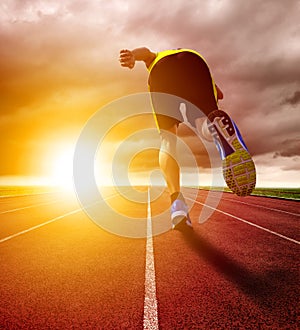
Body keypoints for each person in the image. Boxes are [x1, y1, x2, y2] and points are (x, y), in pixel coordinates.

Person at [119, 47, 256, 229]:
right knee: (205, 122)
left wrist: (133, 56)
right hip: (195, 61)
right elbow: (219, 93)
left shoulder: (158, 57)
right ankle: (216, 128)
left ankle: (178, 205)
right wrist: (212, 95)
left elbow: (146, 53)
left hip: (162, 70)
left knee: (168, 139)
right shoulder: (184, 54)